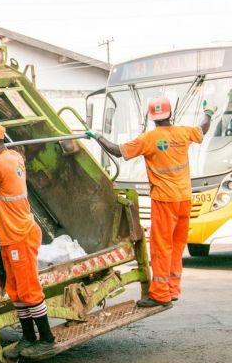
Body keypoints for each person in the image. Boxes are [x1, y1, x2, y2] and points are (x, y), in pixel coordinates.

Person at [85, 97, 213, 307]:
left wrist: (97, 136)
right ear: (170, 114)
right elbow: (203, 128)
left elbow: (118, 150)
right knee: (177, 245)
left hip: (164, 200)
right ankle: (172, 289)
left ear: (151, 117)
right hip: (184, 199)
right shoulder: (183, 132)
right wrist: (208, 112)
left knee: (161, 247)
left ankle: (161, 295)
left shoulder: (149, 138)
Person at [0, 121, 57, 360]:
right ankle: (28, 337)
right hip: (13, 234)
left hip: (18, 235)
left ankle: (46, 340)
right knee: (15, 290)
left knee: (29, 290)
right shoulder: (14, 156)